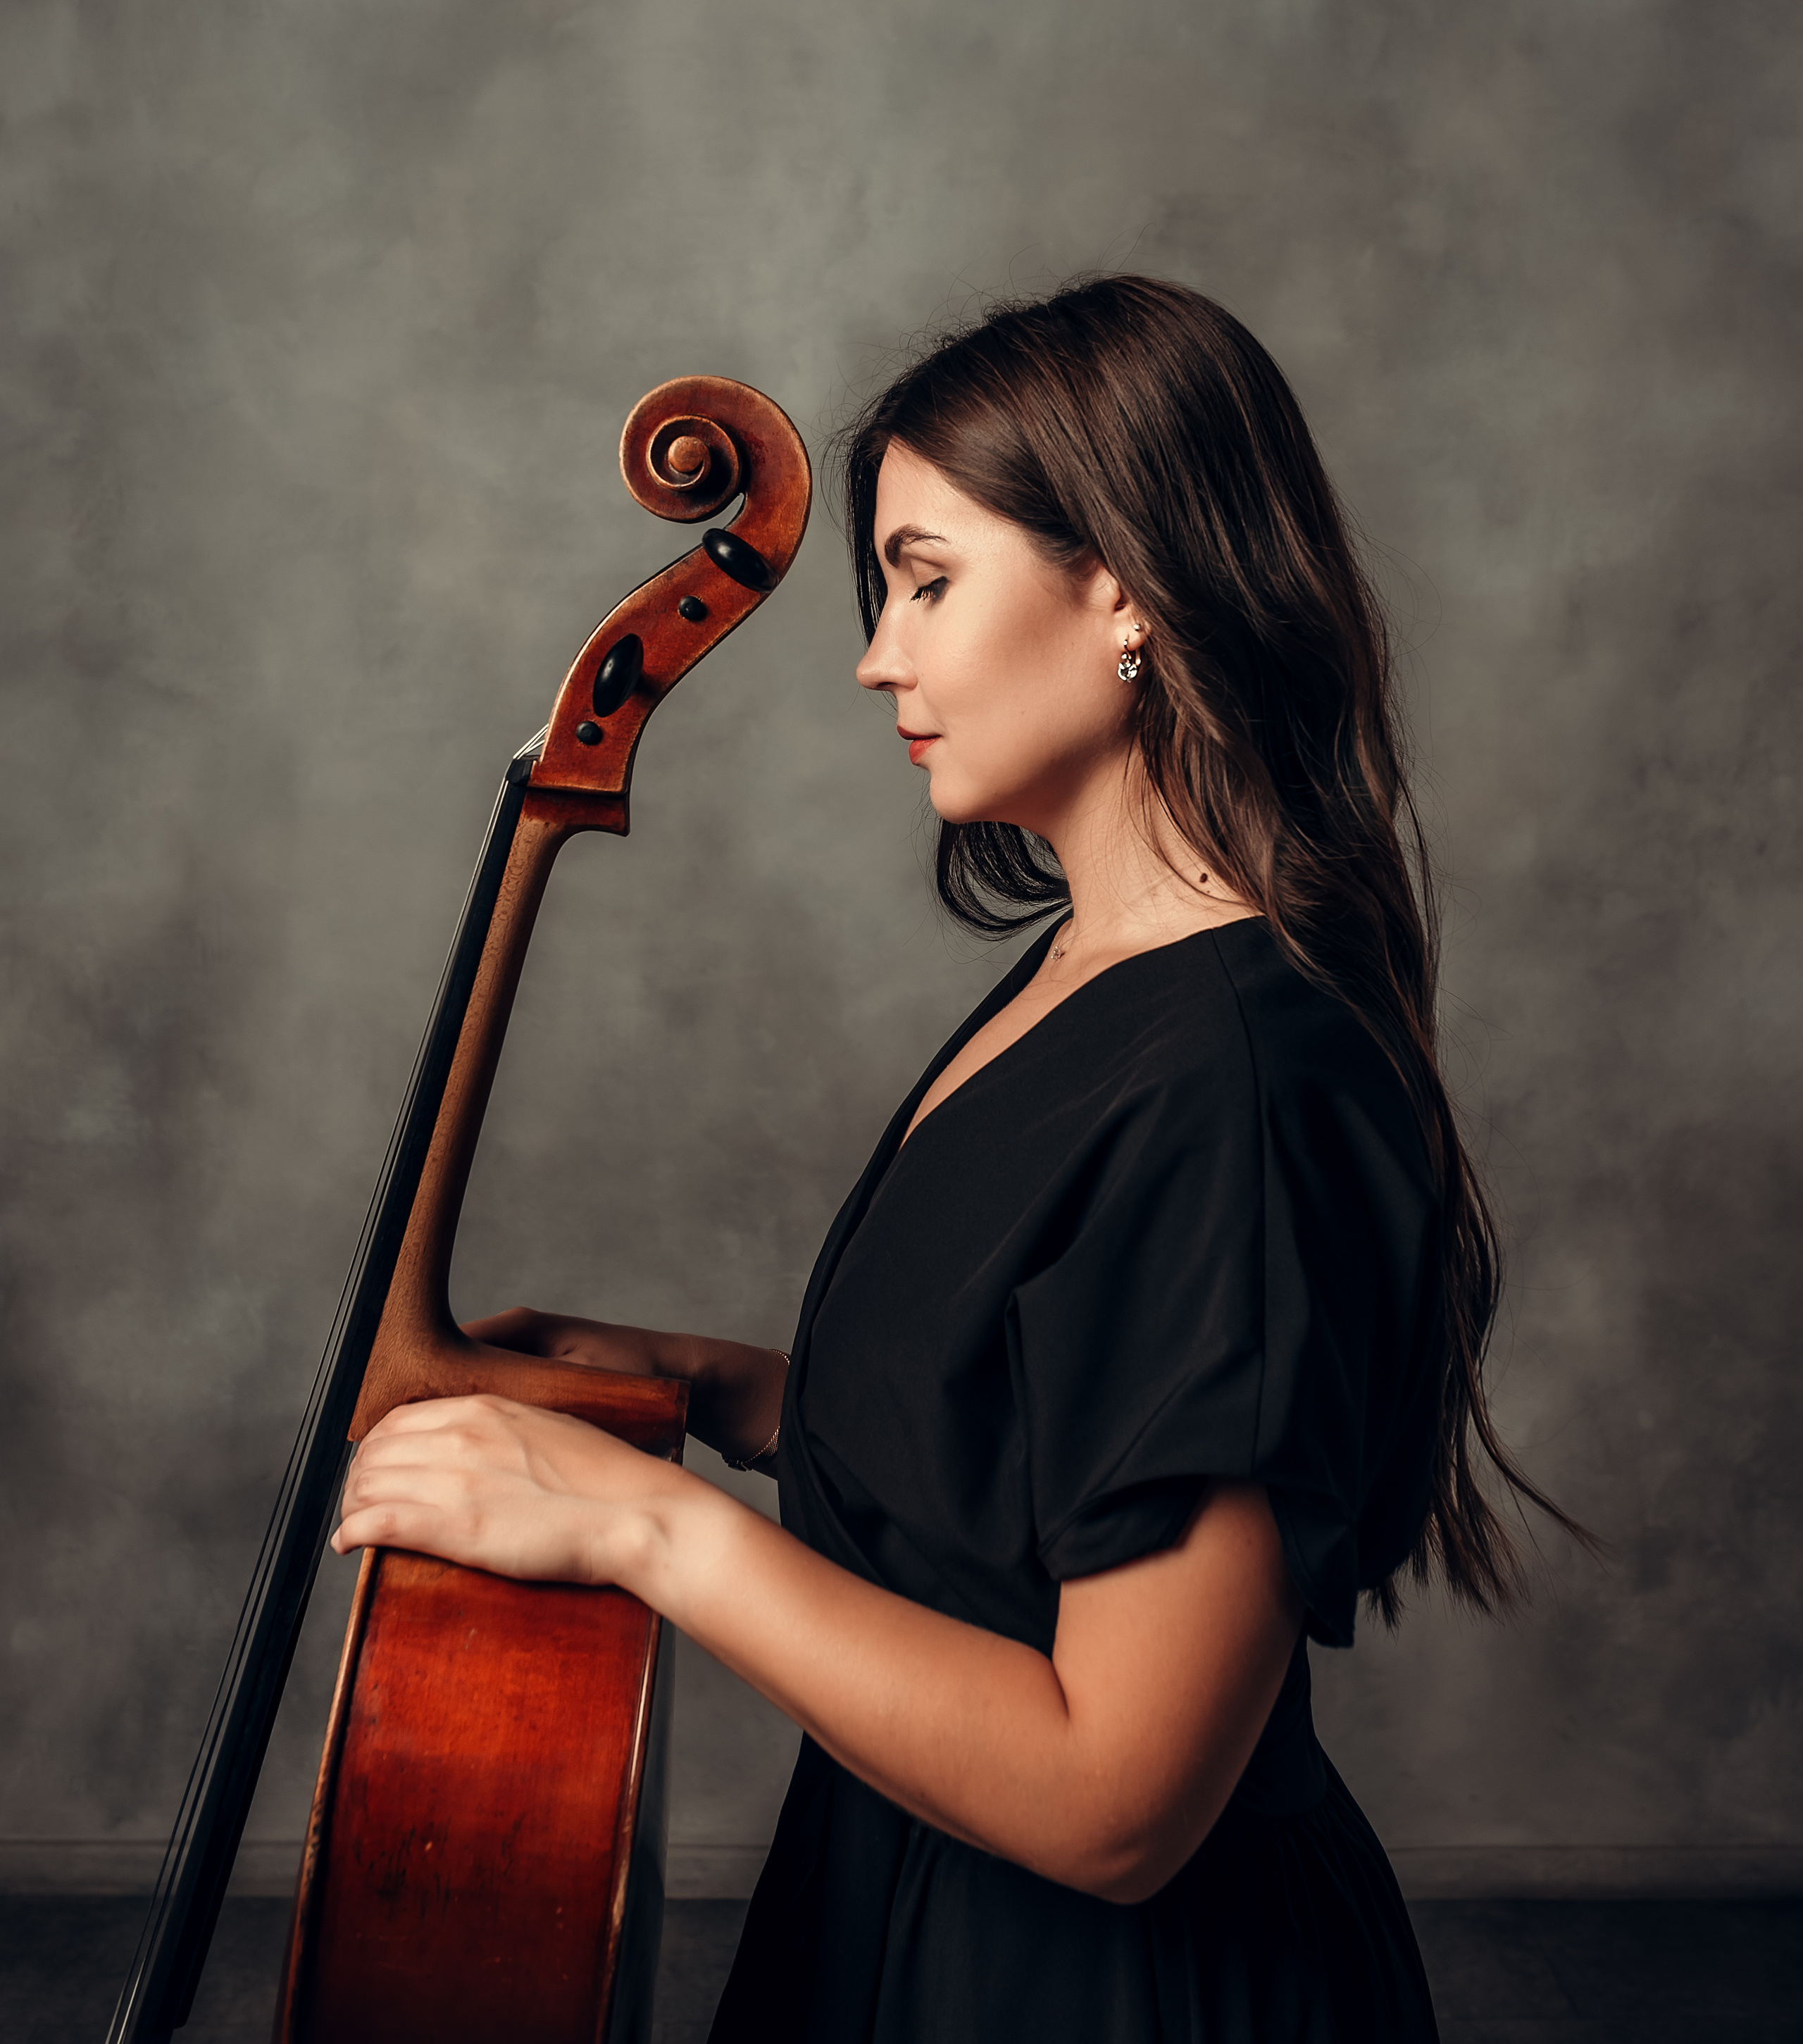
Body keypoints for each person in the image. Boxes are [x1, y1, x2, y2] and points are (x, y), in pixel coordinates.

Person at [331, 276, 1580, 2041]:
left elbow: (1117, 1798)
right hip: (900, 1910)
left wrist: (636, 1524)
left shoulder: (1235, 1075)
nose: (874, 654)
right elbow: (1036, 1438)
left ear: (1125, 589)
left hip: (1095, 1985)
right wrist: (710, 1389)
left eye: (926, 579)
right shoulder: (1085, 971)